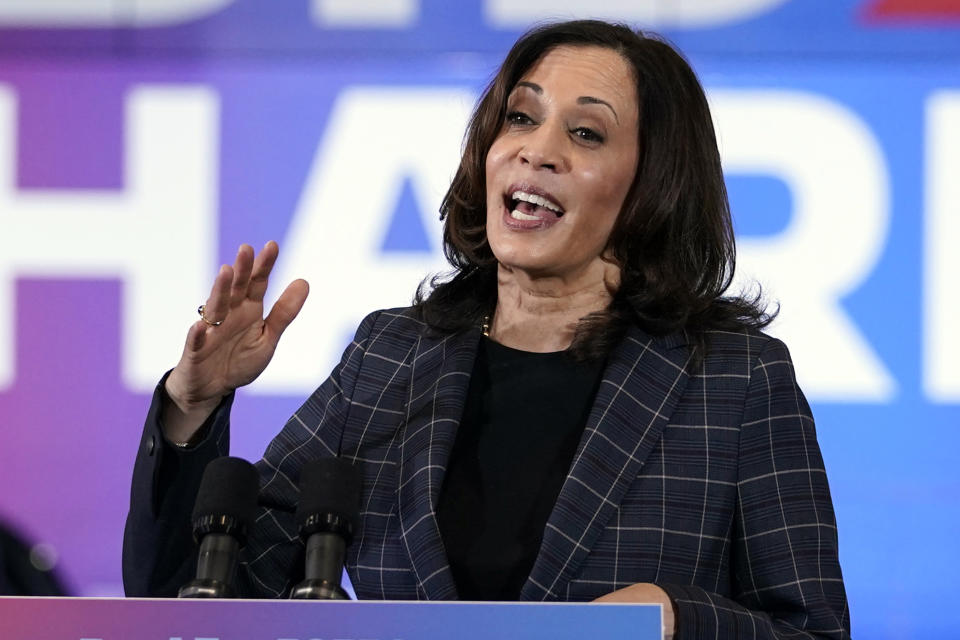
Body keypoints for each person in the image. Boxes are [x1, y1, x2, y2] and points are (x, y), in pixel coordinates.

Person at [123, 20, 850, 639]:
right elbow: (194, 594)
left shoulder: (732, 378)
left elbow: (810, 629)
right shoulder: (391, 358)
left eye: (587, 133)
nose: (538, 150)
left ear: (653, 183)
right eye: (521, 117)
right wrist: (194, 407)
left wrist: (674, 616)